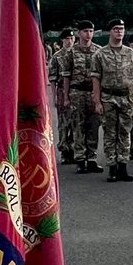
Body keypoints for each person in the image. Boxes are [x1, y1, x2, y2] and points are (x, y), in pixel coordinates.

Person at [92, 19, 133, 182]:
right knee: (110, 133)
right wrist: (97, 101)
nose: (119, 31)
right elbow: (96, 79)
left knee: (125, 132)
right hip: (108, 97)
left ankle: (123, 167)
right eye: (116, 29)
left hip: (126, 97)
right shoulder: (100, 54)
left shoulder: (130, 53)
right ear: (110, 32)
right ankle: (112, 167)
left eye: (122, 29)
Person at [59, 20, 102, 173]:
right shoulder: (71, 52)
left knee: (94, 126)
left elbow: (101, 75)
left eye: (90, 31)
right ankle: (80, 159)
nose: (88, 34)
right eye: (85, 31)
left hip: (93, 92)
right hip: (77, 92)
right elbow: (66, 76)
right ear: (79, 33)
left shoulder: (99, 51)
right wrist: (66, 97)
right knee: (78, 126)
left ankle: (91, 158)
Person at [48, 28, 75, 163]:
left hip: (76, 91)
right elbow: (52, 78)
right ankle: (64, 150)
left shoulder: (77, 54)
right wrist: (54, 97)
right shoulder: (57, 56)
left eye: (71, 39)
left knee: (76, 122)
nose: (69, 41)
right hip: (62, 91)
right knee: (64, 123)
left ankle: (74, 149)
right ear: (62, 40)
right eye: (67, 39)